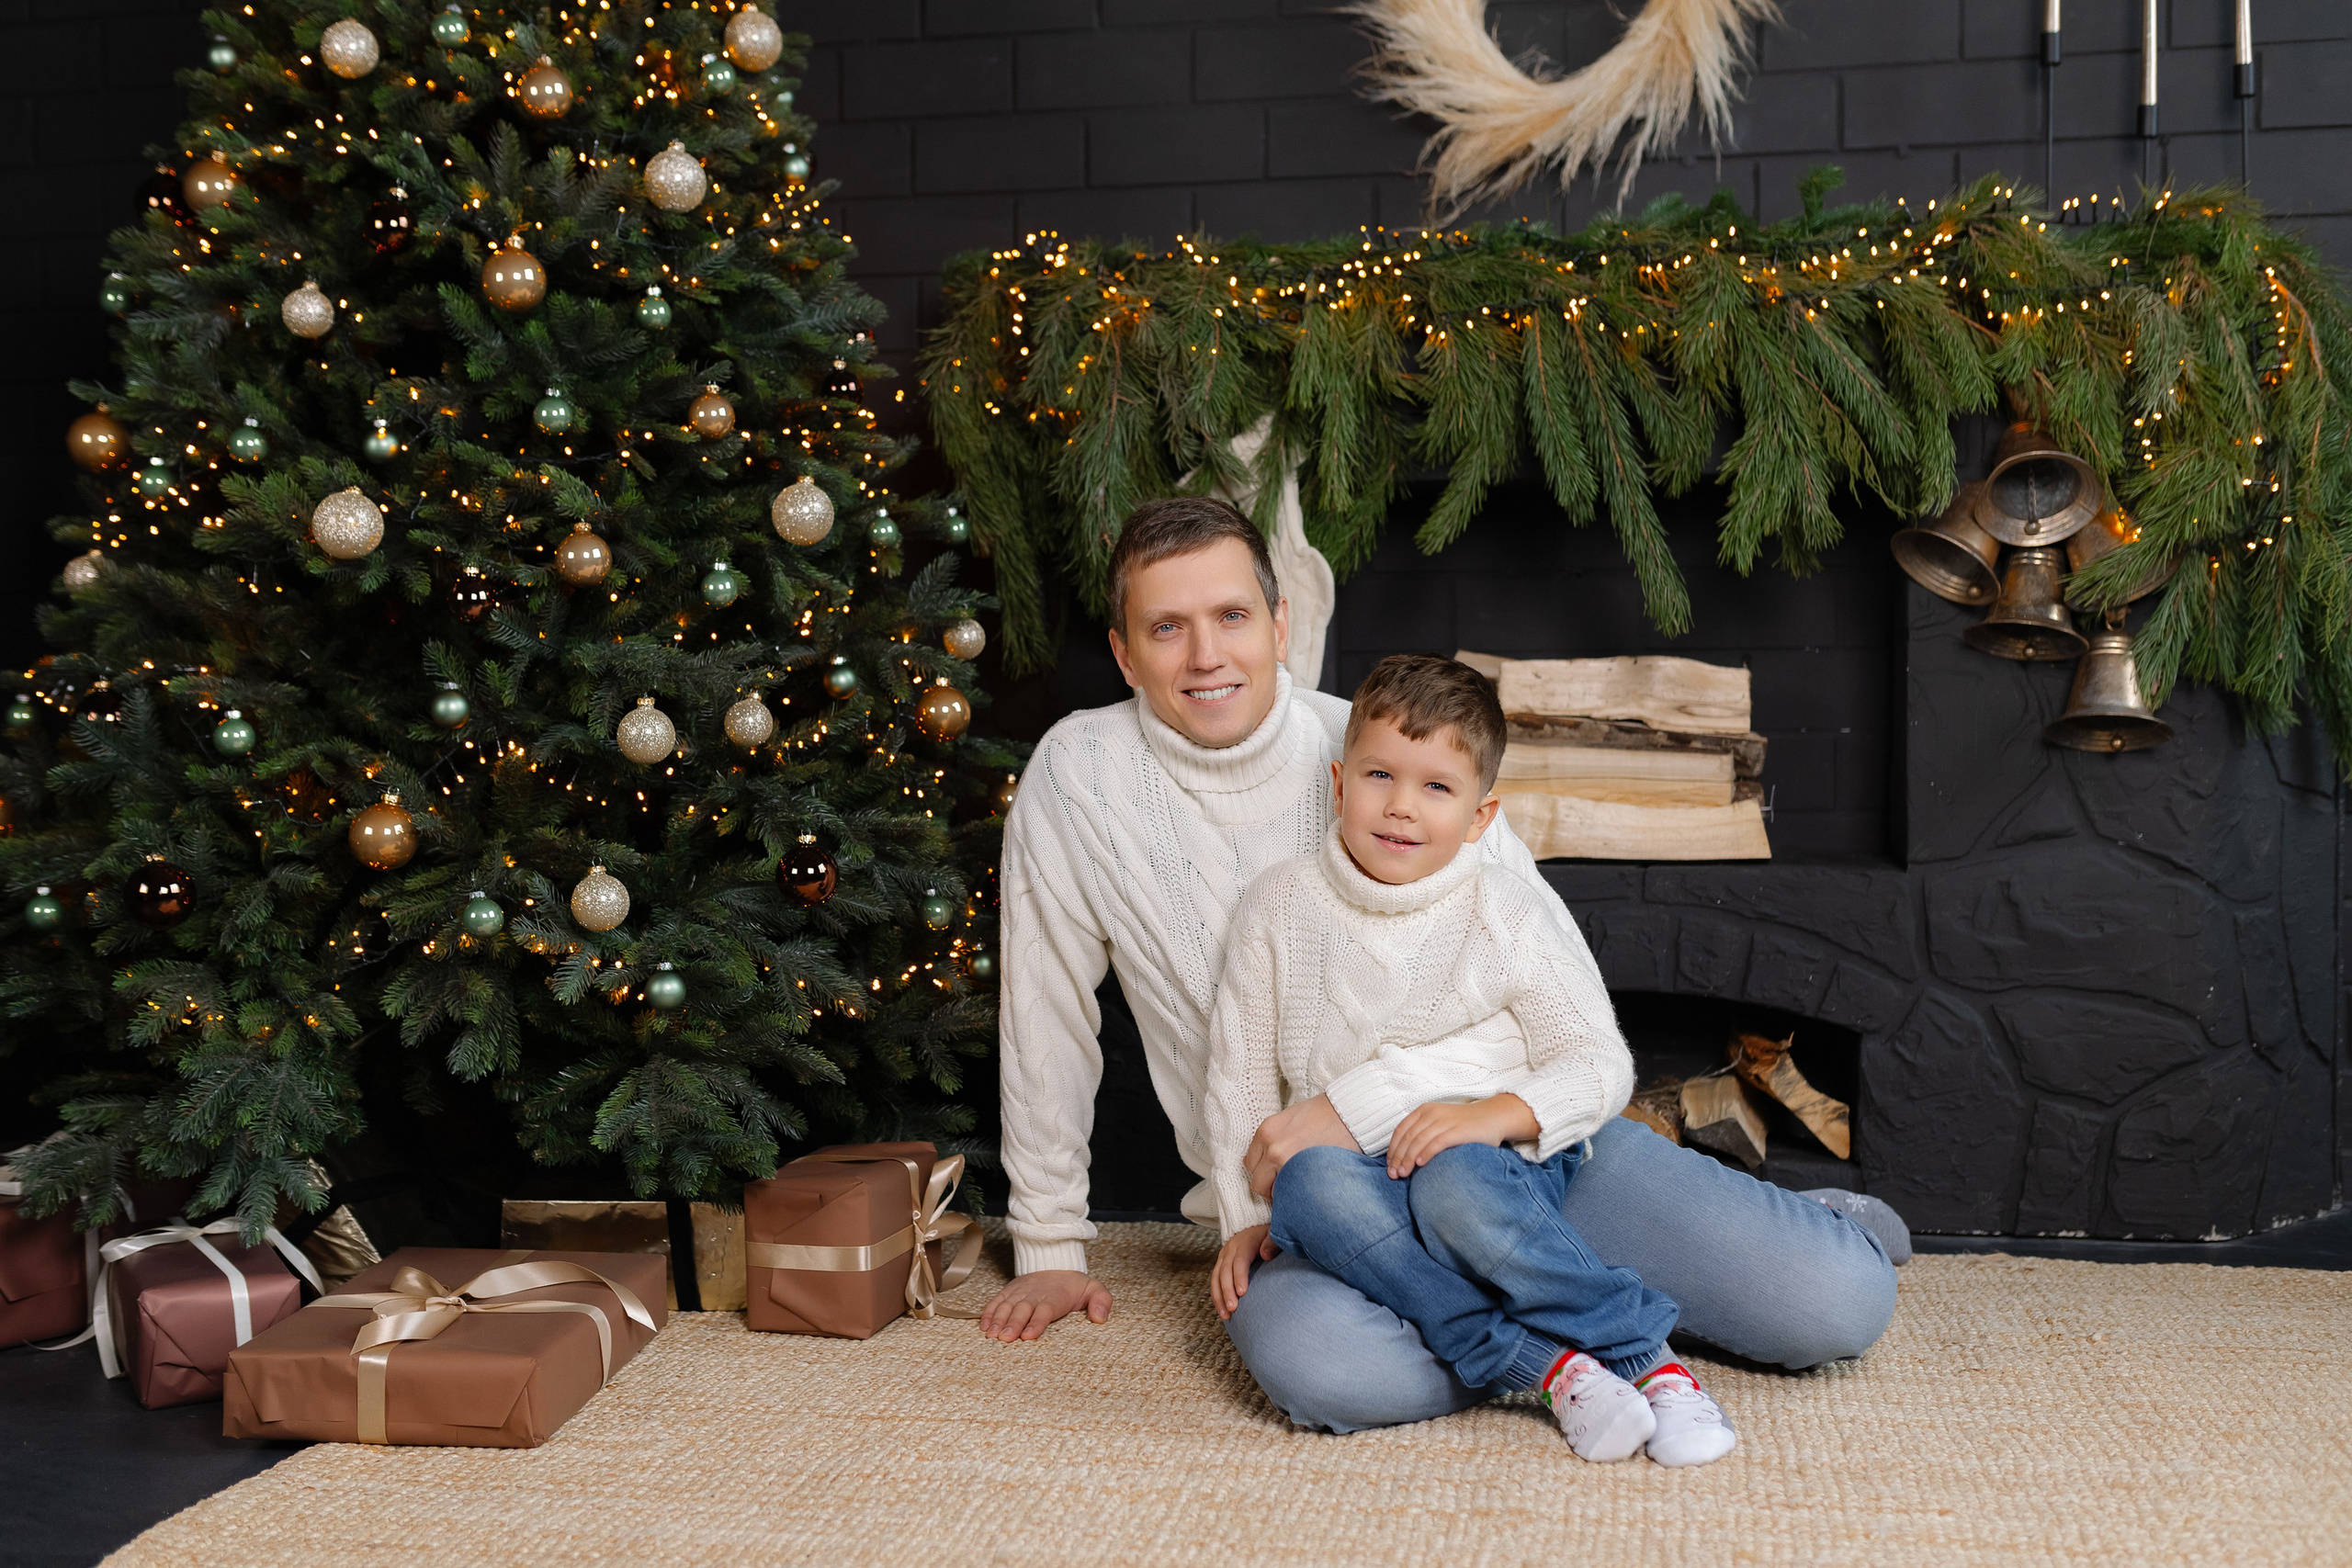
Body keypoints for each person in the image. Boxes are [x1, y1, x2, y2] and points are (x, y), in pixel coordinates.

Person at [985, 495, 1904, 1434]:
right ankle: (1559, 1332)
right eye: (1166, 628)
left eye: (1231, 615)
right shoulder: (1080, 777)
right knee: (1322, 1368)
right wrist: (1051, 1241)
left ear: (1281, 624)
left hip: (1513, 1156)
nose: (1206, 655)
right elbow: (1045, 1012)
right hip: (1329, 1204)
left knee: (1835, 1305)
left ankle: (1772, 1237)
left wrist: (1365, 1101)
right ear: (1123, 652)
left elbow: (1552, 1011)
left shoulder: (1395, 748)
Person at [1204, 654, 1734, 1466]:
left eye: (1436, 786)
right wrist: (1243, 1217)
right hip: (1363, 1179)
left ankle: (1644, 1357)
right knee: (1304, 1183)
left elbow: (1598, 1060)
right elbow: (1239, 1075)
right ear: (1340, 784)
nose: (1401, 805)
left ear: (1481, 816)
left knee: (1454, 1178)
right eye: (1380, 774)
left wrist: (1490, 1116)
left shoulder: (1506, 910)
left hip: (1494, 1162)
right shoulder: (1277, 904)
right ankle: (1548, 1368)